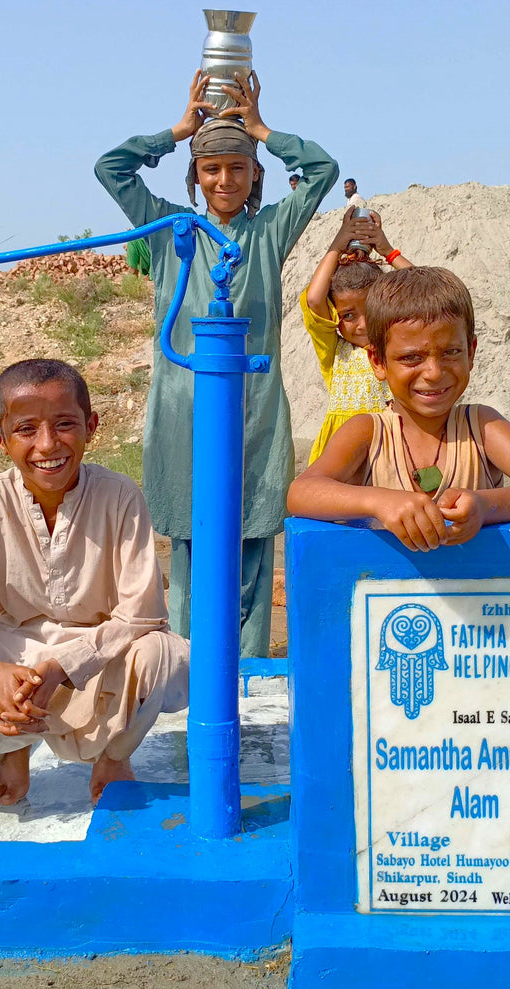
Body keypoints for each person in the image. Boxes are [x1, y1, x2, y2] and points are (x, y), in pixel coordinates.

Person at [95, 70, 338, 657]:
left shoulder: (271, 229)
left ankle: (248, 681)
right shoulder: (169, 231)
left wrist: (261, 129)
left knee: (252, 544)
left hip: (253, 412)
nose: (224, 180)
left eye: (237, 167)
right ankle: (186, 674)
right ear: (196, 177)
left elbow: (324, 171)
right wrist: (177, 131)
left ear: (255, 172)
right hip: (183, 413)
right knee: (191, 549)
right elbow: (111, 169)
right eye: (211, 169)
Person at [0, 360, 190, 806]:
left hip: (94, 660)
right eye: (26, 429)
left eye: (64, 425)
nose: (47, 444)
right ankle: (11, 746)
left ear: (91, 427)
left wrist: (62, 666)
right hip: (13, 652)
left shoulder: (120, 496)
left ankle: (113, 755)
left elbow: (142, 613)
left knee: (165, 655)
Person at [288, 267, 510, 551]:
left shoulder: (481, 427)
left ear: (471, 352)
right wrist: (380, 501)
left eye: (451, 353)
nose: (433, 372)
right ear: (377, 362)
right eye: (412, 358)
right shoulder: (367, 431)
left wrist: (485, 505)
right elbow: (301, 492)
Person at [302, 206, 412, 463]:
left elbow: (425, 292)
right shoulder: (333, 349)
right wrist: (337, 245)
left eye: (371, 310)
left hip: (389, 449)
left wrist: (388, 251)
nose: (362, 324)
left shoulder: (394, 343)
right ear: (336, 316)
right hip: (340, 455)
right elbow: (315, 298)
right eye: (348, 315)